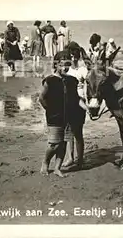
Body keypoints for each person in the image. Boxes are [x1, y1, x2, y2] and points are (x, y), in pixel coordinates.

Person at [38, 49, 88, 177]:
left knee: (63, 144)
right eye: (62, 65)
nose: (65, 68)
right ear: (56, 65)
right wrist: (49, 110)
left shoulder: (72, 81)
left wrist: (87, 108)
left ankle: (57, 168)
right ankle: (45, 162)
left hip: (69, 117)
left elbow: (77, 100)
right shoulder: (49, 81)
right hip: (54, 118)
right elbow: (41, 98)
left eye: (68, 65)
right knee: (54, 144)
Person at [62, 41, 88, 168]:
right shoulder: (67, 69)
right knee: (68, 131)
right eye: (70, 56)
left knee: (78, 132)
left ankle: (80, 159)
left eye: (73, 55)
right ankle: (70, 157)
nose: (72, 58)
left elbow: (88, 87)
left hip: (79, 102)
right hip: (68, 102)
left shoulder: (83, 70)